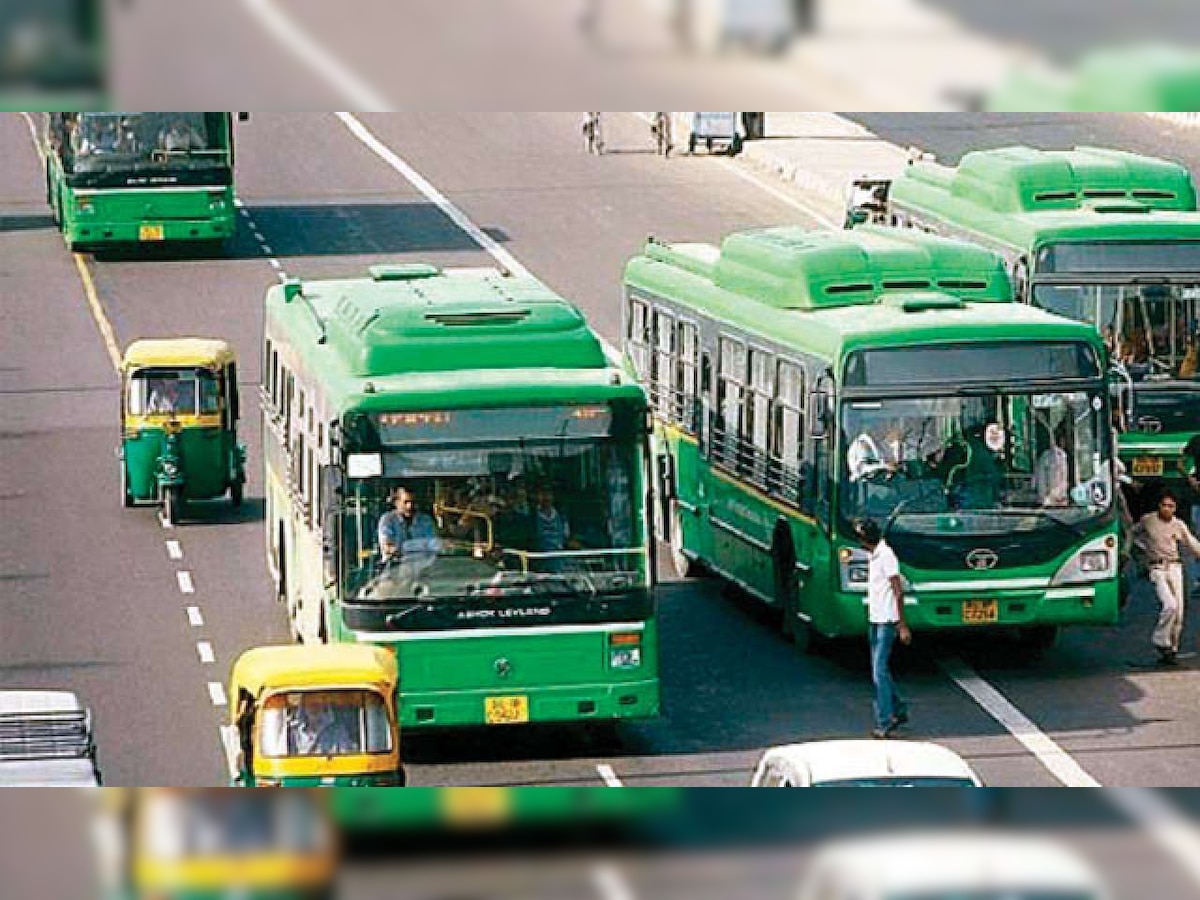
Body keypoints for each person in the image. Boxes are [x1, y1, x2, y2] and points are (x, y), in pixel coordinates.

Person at [855, 519, 911, 739]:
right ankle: (898, 709)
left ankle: (884, 721)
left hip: (887, 621)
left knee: (878, 672)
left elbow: (898, 591)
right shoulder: (873, 555)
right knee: (880, 671)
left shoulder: (886, 556)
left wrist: (902, 625)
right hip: (875, 619)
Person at [1131, 489, 1200, 666]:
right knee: (1170, 605)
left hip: (1175, 566)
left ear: (1175, 508)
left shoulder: (1178, 524)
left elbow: (1192, 543)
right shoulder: (1148, 520)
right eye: (1164, 505)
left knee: (1179, 612)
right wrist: (1136, 550)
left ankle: (1171, 650)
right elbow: (1132, 533)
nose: (1167, 509)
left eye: (1171, 506)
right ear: (1159, 506)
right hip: (1157, 568)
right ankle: (1161, 640)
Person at [377, 486, 441, 562]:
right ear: (396, 502)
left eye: (412, 502)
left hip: (421, 566)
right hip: (394, 567)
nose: (409, 506)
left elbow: (433, 544)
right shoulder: (387, 520)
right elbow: (387, 547)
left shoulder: (425, 520)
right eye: (406, 502)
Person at [1035, 427, 1071, 507]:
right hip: (1049, 499)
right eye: (1062, 440)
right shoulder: (1046, 456)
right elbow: (1041, 479)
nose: (1064, 442)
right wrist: (1045, 497)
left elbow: (1064, 478)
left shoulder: (1063, 455)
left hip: (1060, 499)